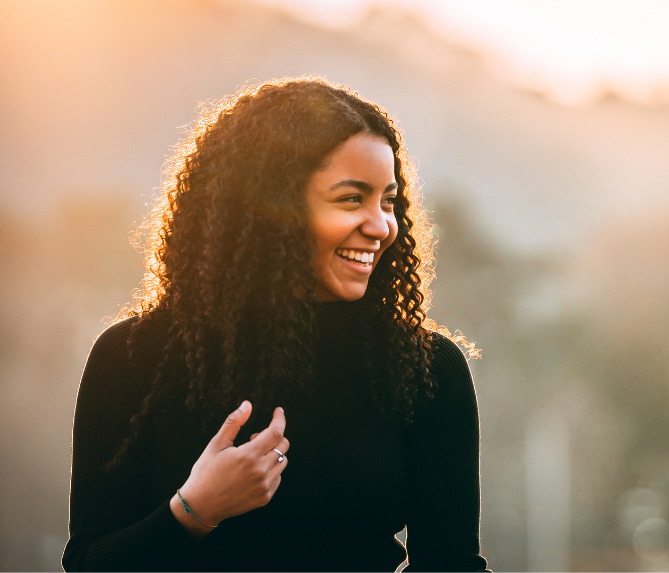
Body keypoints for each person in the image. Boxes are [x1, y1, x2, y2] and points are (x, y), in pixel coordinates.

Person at [62, 77, 489, 572]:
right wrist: (195, 510)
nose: (380, 226)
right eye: (352, 199)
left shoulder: (425, 369)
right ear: (271, 210)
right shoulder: (133, 358)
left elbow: (451, 565)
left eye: (388, 201)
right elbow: (87, 564)